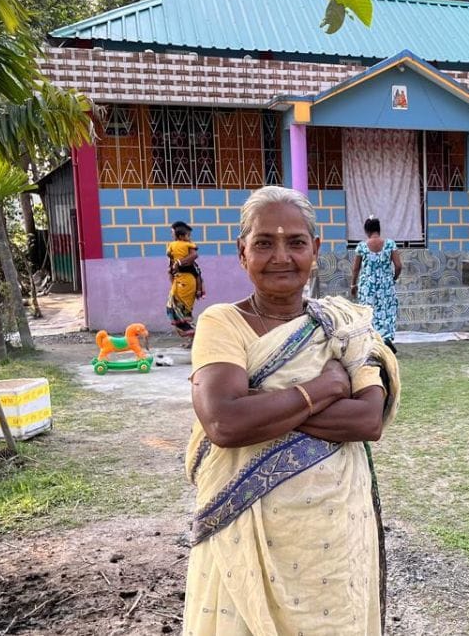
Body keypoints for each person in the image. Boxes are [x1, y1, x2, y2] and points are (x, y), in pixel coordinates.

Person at [184, 186, 400, 636]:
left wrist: (263, 403)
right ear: (242, 252)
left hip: (332, 532)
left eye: (296, 242)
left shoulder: (344, 325)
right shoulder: (222, 323)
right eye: (264, 243)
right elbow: (224, 422)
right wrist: (325, 388)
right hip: (244, 531)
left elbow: (367, 420)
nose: (281, 256)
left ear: (315, 250)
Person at [351, 216, 402, 351]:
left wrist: (353, 285)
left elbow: (356, 268)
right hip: (386, 286)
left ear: (367, 231)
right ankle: (386, 339)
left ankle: (372, 341)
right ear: (379, 230)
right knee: (387, 311)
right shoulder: (390, 244)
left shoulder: (361, 246)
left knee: (368, 311)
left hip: (367, 287)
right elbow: (398, 266)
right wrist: (393, 279)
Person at [166, 221, 204, 345]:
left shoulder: (187, 247)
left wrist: (179, 263)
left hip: (186, 282)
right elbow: (170, 264)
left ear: (179, 235)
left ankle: (197, 336)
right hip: (180, 281)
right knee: (177, 310)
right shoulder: (173, 246)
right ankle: (193, 338)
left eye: (172, 232)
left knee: (179, 310)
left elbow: (194, 258)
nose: (172, 235)